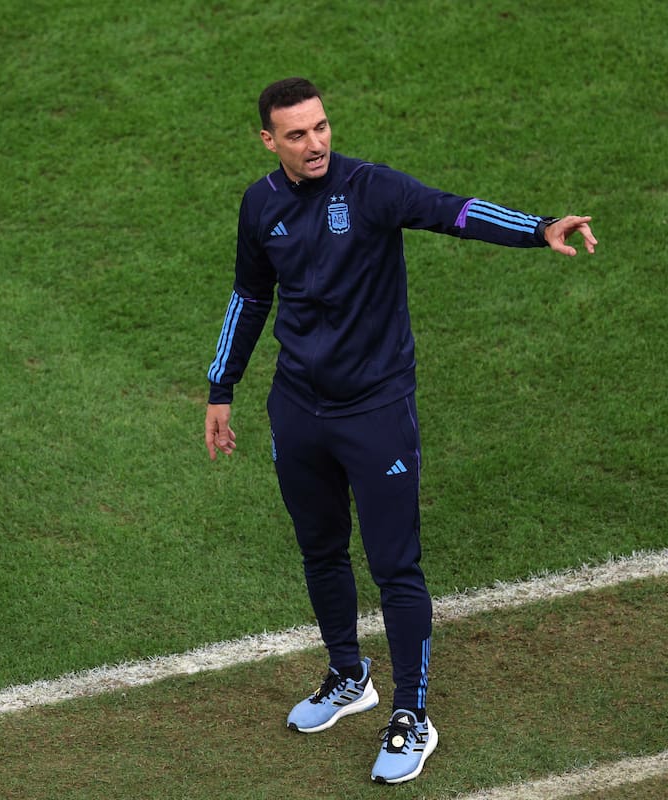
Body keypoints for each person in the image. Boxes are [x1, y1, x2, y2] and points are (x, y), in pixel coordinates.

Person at [204, 77, 595, 785]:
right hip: (297, 409)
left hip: (375, 411)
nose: (315, 142)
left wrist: (538, 229)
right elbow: (250, 294)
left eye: (321, 127)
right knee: (320, 550)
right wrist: (221, 388)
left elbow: (454, 212)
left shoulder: (370, 188)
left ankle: (413, 714)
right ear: (269, 141)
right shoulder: (260, 205)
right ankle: (349, 678)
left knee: (395, 567)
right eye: (296, 134)